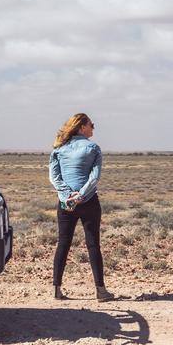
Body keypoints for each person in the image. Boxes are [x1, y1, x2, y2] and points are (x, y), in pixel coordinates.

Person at [49, 113, 114, 302]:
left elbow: (54, 178)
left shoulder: (58, 148)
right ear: (81, 127)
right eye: (91, 124)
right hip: (89, 202)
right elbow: (94, 178)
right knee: (93, 244)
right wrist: (80, 195)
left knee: (63, 244)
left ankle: (56, 290)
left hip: (65, 204)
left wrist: (67, 196)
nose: (93, 128)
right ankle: (100, 291)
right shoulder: (93, 148)